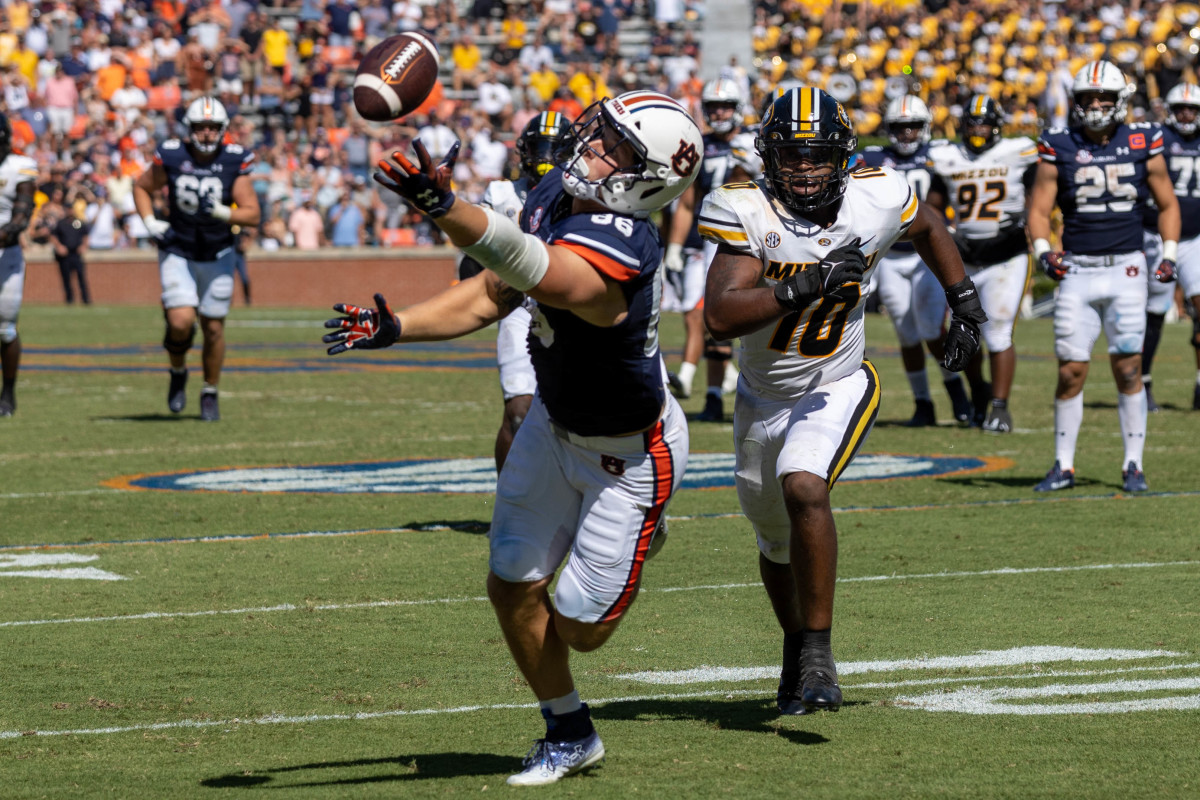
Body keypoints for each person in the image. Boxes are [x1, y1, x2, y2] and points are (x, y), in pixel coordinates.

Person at [324, 90, 702, 785]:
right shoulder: (558, 193)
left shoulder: (628, 240)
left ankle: (646, 532)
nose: (592, 147)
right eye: (601, 133)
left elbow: (541, 271)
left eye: (616, 148)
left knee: (583, 629)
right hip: (552, 426)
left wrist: (447, 208)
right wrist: (397, 327)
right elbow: (496, 291)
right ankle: (569, 731)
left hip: (628, 452)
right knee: (511, 583)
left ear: (648, 178)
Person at [701, 88, 984, 716]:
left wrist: (963, 299)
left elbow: (930, 223)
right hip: (762, 394)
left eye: (819, 157)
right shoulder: (744, 208)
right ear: (768, 157)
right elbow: (720, 316)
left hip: (838, 381)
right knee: (774, 542)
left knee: (805, 485)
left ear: (843, 156)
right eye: (792, 157)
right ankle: (797, 651)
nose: (805, 171)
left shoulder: (876, 196)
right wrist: (803, 285)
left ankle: (820, 654)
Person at [1026, 61, 1181, 493]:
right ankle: (1063, 465)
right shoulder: (1058, 144)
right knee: (1071, 370)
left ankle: (1133, 464)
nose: (1095, 106)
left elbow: (1168, 204)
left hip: (1128, 267)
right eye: (1088, 99)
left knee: (1128, 368)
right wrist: (1042, 251)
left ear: (1119, 101)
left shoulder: (1141, 140)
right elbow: (1039, 210)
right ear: (1075, 103)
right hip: (1078, 269)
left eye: (1104, 98)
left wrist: (1168, 254)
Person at [133, 97, 261, 422]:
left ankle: (210, 390)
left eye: (212, 127)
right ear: (189, 129)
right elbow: (142, 187)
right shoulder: (173, 154)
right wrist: (149, 222)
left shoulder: (236, 159)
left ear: (222, 129)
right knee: (179, 321)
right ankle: (178, 372)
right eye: (200, 127)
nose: (206, 133)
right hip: (178, 247)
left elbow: (252, 214)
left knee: (213, 328)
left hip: (218, 251)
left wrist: (221, 211)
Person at [457, 111, 570, 471]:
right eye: (539, 149)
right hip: (521, 306)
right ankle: (508, 508)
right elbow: (471, 262)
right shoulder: (503, 194)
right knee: (519, 411)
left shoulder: (581, 196)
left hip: (570, 308)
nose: (545, 158)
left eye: (554, 151)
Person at [861, 94, 977, 427]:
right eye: (900, 127)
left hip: (927, 257)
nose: (907, 133)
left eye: (913, 126)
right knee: (906, 333)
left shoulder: (941, 155)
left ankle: (957, 393)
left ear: (925, 127)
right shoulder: (874, 157)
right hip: (892, 258)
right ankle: (922, 402)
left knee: (930, 327)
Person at [926, 93, 1040, 433]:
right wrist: (945, 233)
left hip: (1006, 252)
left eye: (984, 122)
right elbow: (931, 208)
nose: (978, 128)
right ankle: (979, 393)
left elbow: (1038, 197)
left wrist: (1035, 229)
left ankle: (1000, 408)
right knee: (967, 333)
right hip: (965, 255)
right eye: (972, 122)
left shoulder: (1017, 152)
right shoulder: (948, 157)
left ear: (997, 126)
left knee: (1000, 331)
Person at [662, 78, 759, 419]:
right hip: (714, 243)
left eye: (726, 106)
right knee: (713, 315)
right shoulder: (698, 146)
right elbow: (686, 205)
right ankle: (714, 395)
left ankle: (750, 388)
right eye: (713, 107)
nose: (719, 113)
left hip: (758, 241)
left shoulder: (758, 140)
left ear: (739, 108)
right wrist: (674, 246)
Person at [1141, 82, 1200, 412]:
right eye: (1181, 108)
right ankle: (1144, 382)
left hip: (1196, 238)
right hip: (1156, 235)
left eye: (1192, 109)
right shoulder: (1158, 139)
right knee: (1155, 312)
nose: (1187, 114)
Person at [0, 113, 37, 417]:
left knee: (4, 328)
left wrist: (7, 231)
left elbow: (24, 208)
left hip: (6, 252)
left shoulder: (18, 166)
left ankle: (8, 391)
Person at [50, 198, 92, 305]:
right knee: (66, 278)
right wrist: (59, 247)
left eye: (71, 209)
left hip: (76, 253)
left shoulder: (79, 222)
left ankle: (86, 300)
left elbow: (85, 235)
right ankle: (69, 299)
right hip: (65, 255)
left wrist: (84, 246)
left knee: (81, 277)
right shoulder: (61, 223)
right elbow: (53, 236)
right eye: (67, 209)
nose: (69, 211)